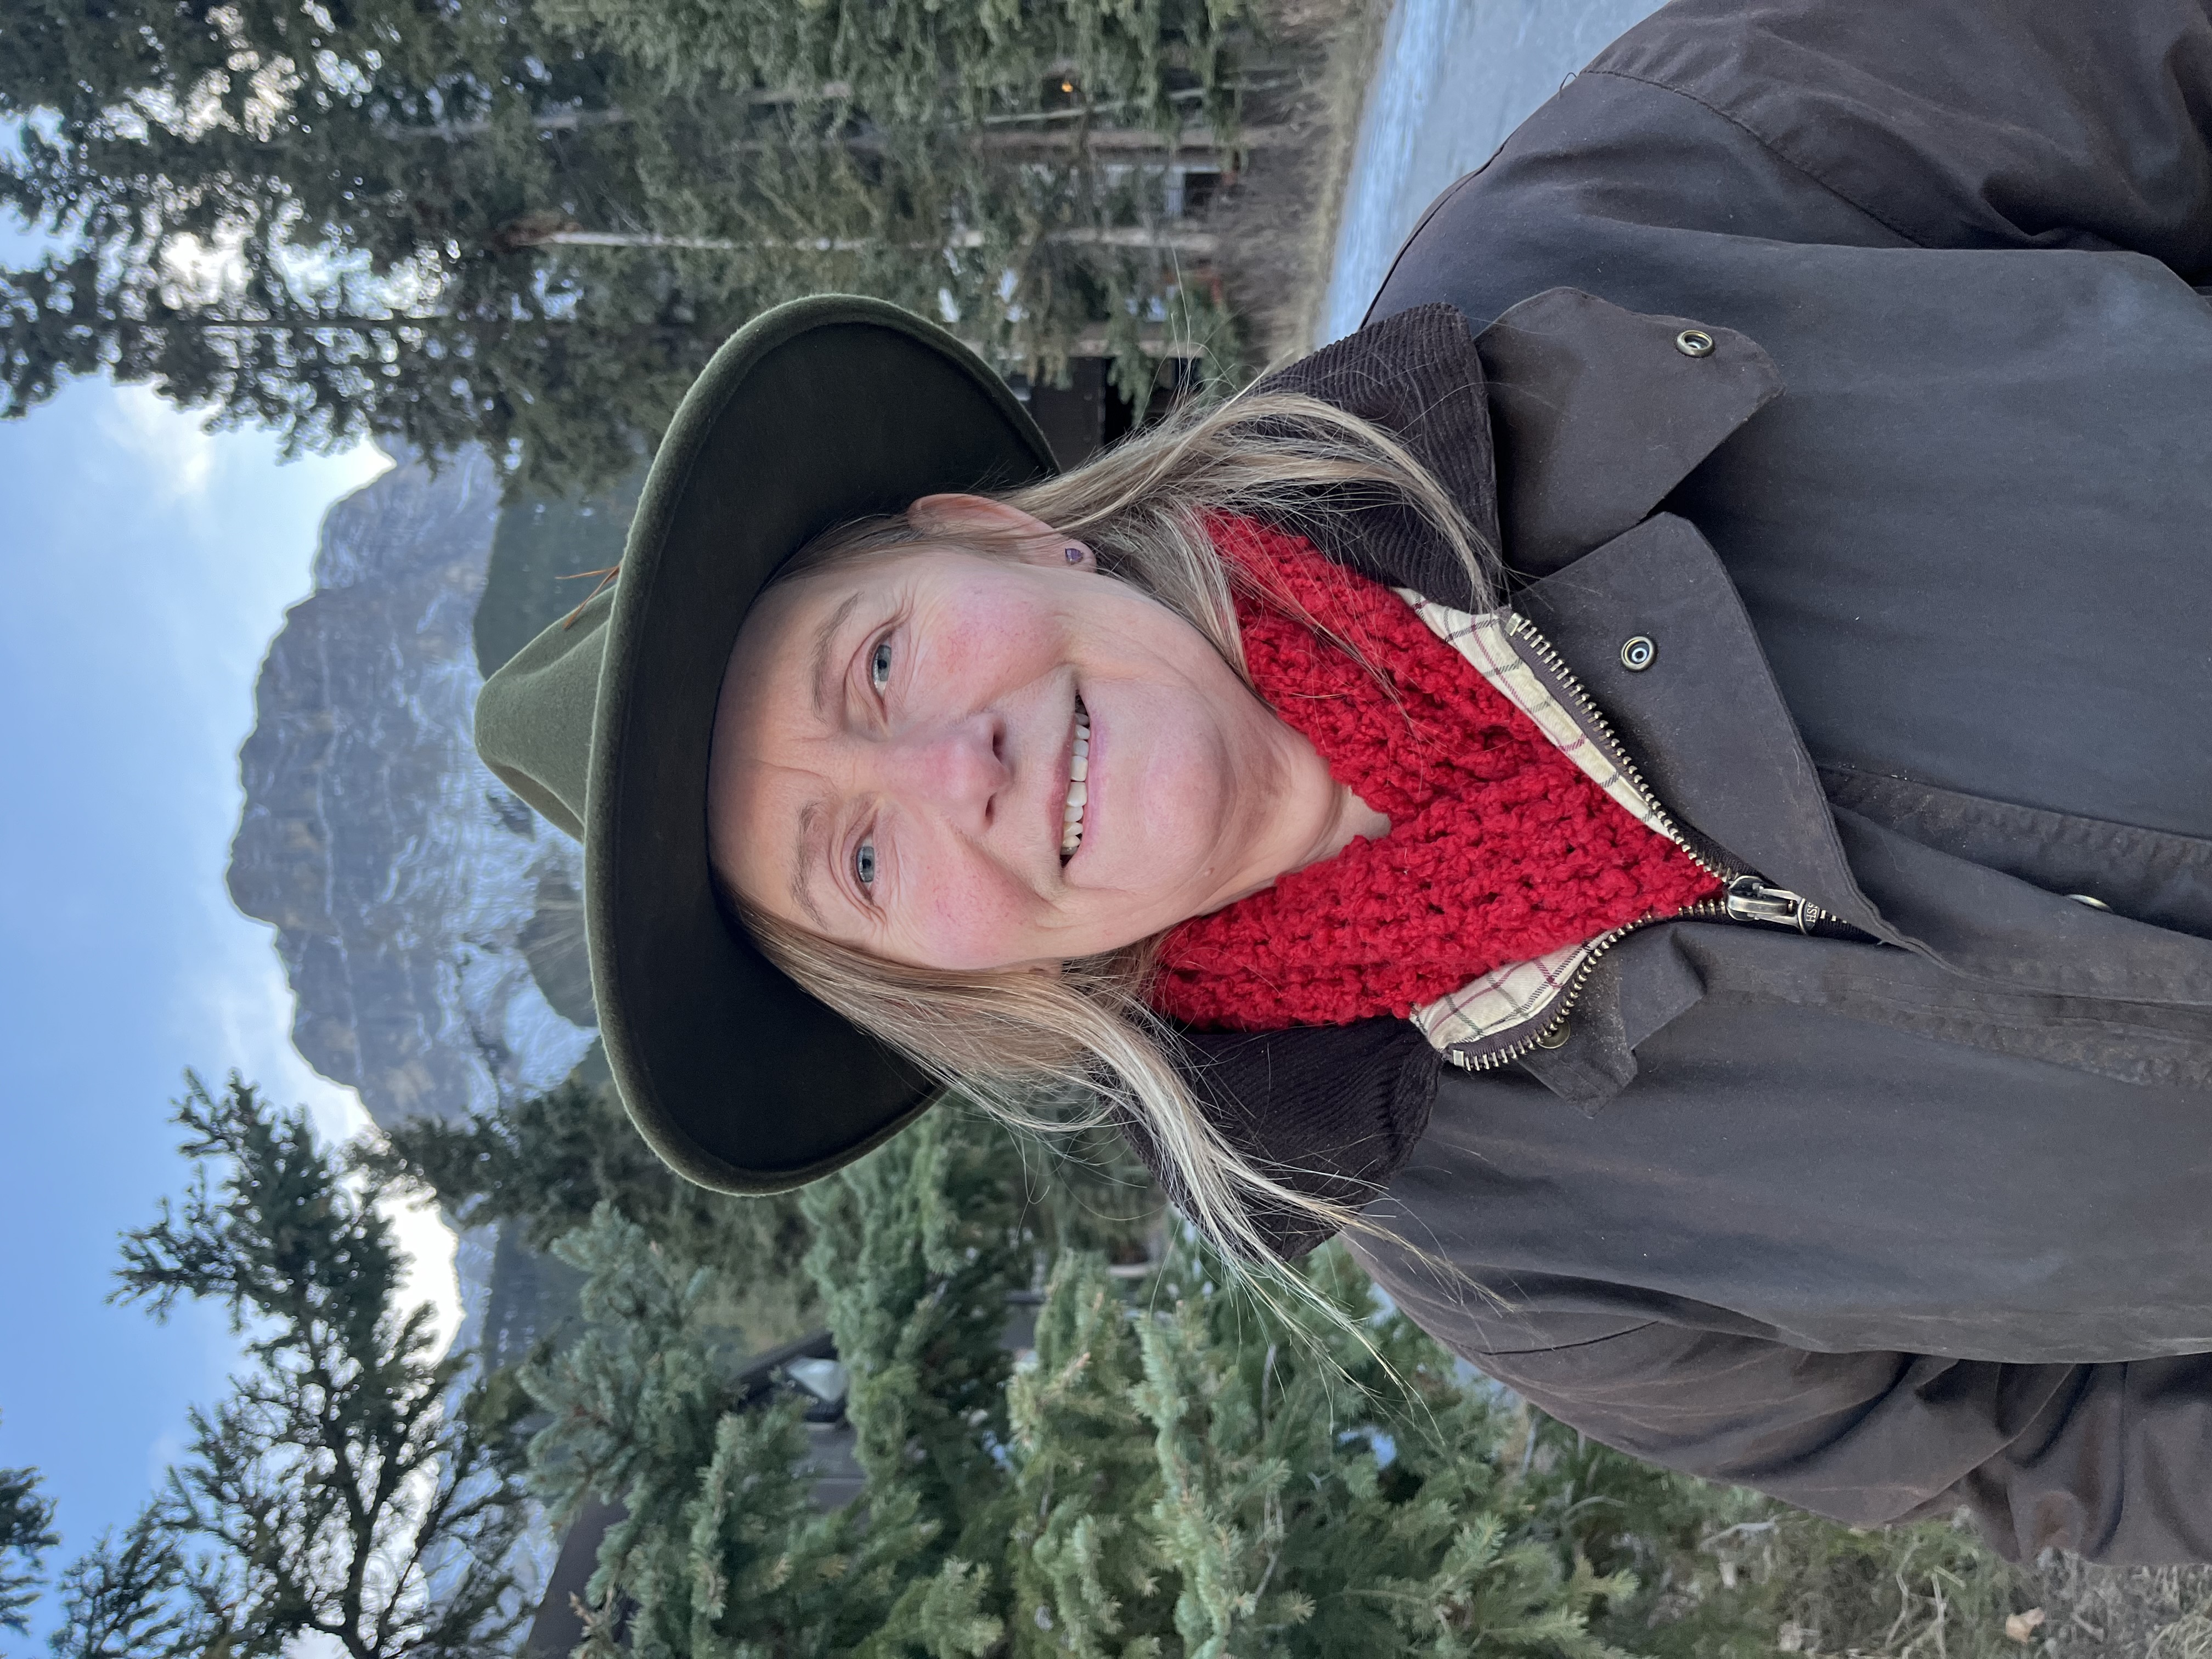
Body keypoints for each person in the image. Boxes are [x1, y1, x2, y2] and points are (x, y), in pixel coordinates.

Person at [473, 0, 2212, 1566]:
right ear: (948, 982)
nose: (952, 769)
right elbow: (2051, 1455)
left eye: (877, 666)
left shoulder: (1591, 246)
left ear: (996, 536)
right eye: (859, 859)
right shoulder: (1504, 1258)